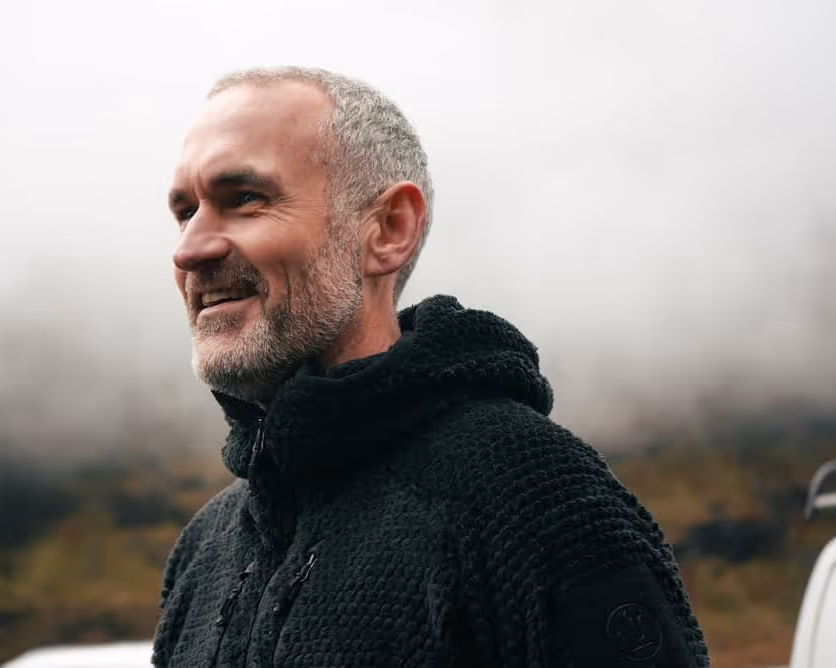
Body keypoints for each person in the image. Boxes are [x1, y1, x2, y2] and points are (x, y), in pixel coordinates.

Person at [152, 66, 709, 667]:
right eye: (186, 212)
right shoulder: (205, 551)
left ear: (389, 230)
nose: (190, 248)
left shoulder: (533, 499)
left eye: (245, 200)